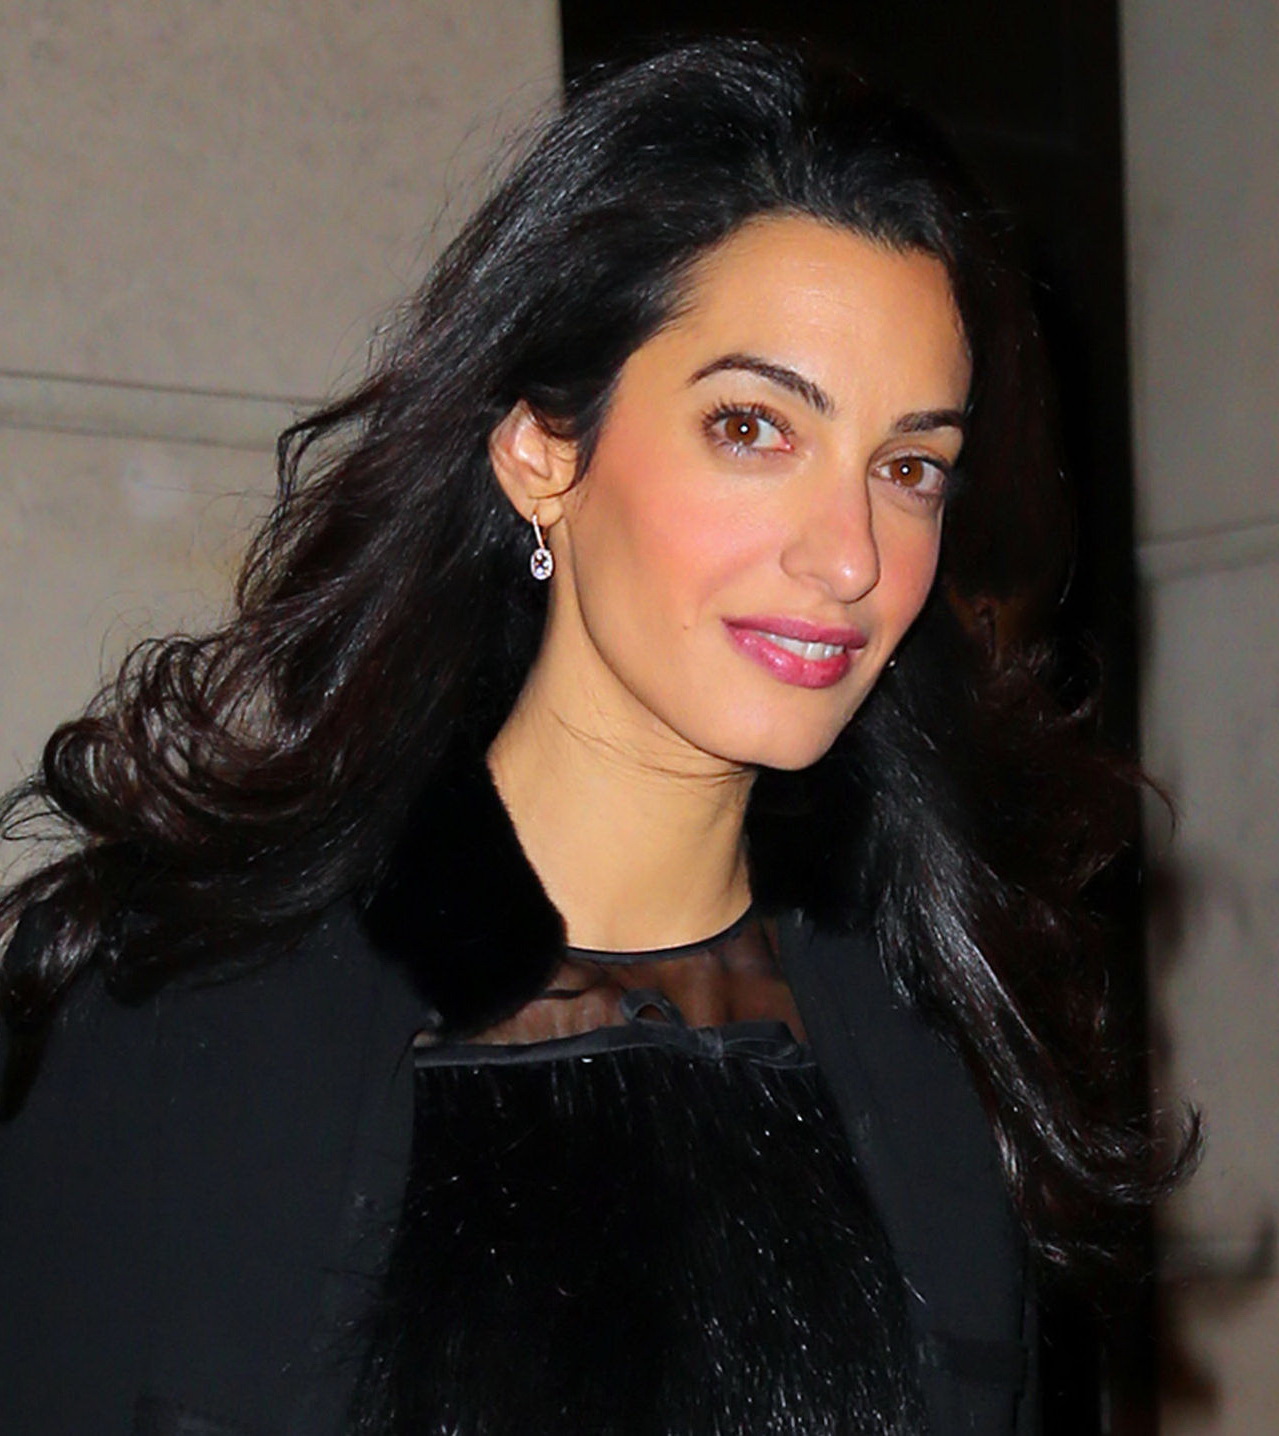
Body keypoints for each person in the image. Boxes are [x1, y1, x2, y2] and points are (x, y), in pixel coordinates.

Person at [0, 39, 1186, 1436]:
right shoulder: (189, 1032)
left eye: (909, 466)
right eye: (753, 428)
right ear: (543, 453)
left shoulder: (949, 1054)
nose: (851, 555)